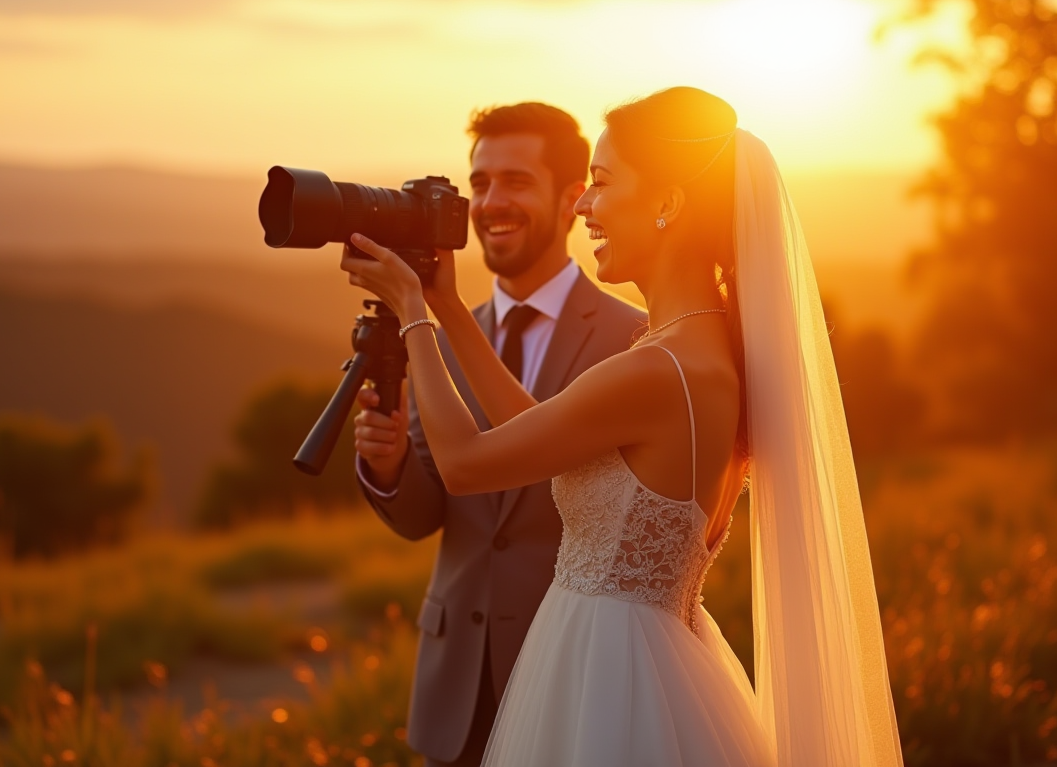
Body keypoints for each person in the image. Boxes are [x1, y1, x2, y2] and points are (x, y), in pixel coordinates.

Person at [344, 87, 903, 766]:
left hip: (605, 674)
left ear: (667, 204)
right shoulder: (710, 352)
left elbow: (464, 463)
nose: (583, 207)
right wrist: (452, 311)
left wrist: (412, 313)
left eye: (602, 185)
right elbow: (545, 437)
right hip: (658, 658)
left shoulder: (655, 371)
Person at [352, 102, 645, 767]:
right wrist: (392, 464)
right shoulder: (438, 334)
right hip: (454, 685)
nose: (489, 202)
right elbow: (432, 513)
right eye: (479, 183)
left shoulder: (634, 342)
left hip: (571, 669)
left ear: (575, 198)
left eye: (515, 181)